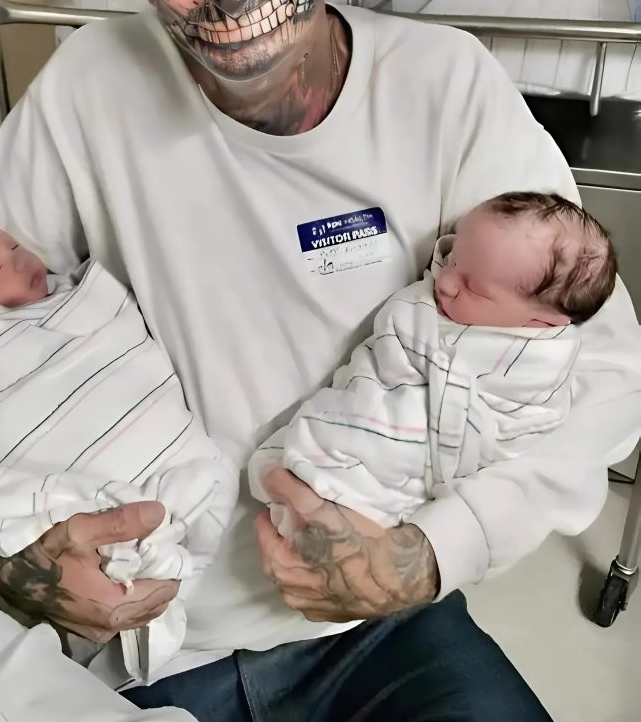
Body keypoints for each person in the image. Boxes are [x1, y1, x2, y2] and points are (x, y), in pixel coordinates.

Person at [0, 0, 641, 722]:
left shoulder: (444, 87)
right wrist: (15, 552)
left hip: (378, 622)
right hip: (156, 631)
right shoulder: (85, 94)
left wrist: (435, 550)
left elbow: (605, 367)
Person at [0, 210, 237, 681]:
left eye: (13, 246)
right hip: (155, 608)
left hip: (216, 520)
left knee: (205, 482)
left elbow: (116, 341)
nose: (18, 259)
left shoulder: (79, 302)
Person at [250, 192, 617, 532]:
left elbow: (511, 431)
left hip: (429, 438)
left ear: (539, 323)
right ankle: (310, 475)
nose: (445, 282)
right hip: (369, 396)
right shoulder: (465, 286)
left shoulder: (535, 363)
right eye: (453, 259)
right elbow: (389, 350)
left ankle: (335, 494)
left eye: (473, 287)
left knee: (384, 447)